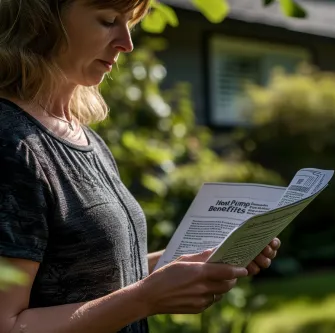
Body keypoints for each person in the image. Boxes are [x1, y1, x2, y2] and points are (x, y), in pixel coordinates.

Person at [0, 0, 281, 332]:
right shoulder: (10, 143)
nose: (126, 43)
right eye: (108, 21)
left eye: (129, 24)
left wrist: (201, 262)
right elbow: (8, 324)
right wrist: (146, 299)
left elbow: (98, 277)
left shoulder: (84, 138)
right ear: (42, 21)